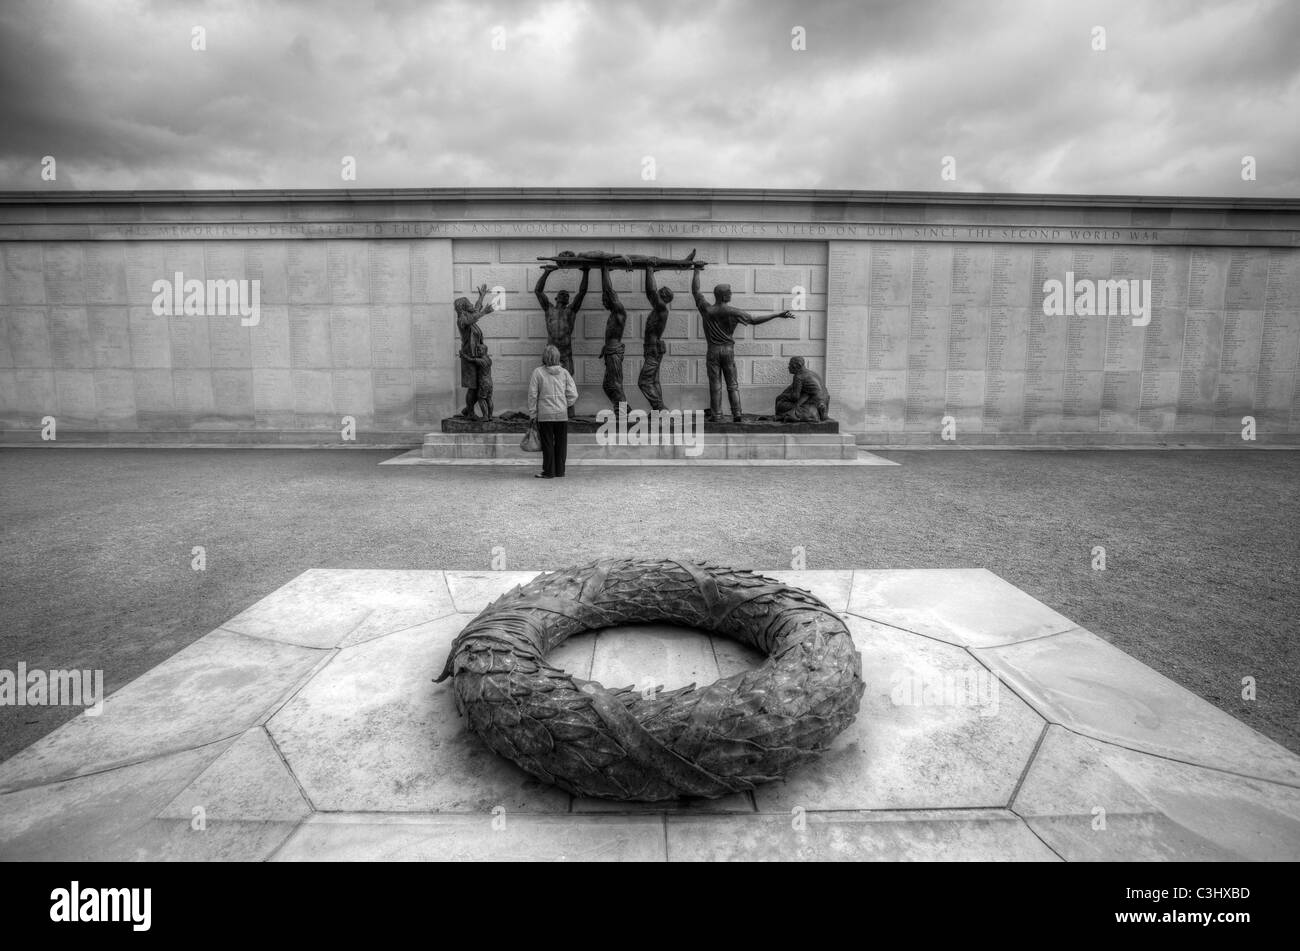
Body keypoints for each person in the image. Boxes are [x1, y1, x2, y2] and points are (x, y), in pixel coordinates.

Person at [690, 265, 794, 422]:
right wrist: (777, 315)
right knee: (732, 384)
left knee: (715, 384)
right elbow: (754, 320)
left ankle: (717, 414)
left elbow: (696, 292)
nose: (731, 294)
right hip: (727, 351)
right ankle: (737, 413)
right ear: (724, 296)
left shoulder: (707, 309)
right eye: (729, 293)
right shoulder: (734, 312)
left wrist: (696, 270)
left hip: (713, 351)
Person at [527, 344, 578, 479]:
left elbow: (533, 395)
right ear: (557, 357)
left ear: (544, 357)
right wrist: (565, 404)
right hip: (561, 414)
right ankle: (560, 471)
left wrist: (533, 413)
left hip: (545, 415)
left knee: (547, 443)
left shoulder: (538, 372)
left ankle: (549, 471)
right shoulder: (564, 373)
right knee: (561, 444)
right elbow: (573, 394)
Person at [455, 284, 496, 418]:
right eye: (468, 304)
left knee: (477, 386)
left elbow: (476, 309)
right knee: (472, 386)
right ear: (463, 308)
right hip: (469, 356)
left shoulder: (469, 317)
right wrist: (484, 312)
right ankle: (470, 412)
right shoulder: (462, 320)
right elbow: (475, 315)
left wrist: (482, 296)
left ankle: (468, 409)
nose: (472, 305)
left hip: (476, 356)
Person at [639, 268, 672, 410]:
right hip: (653, 347)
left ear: (663, 296)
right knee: (654, 381)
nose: (656, 294)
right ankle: (658, 412)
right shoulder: (659, 309)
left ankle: (659, 408)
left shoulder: (662, 308)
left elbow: (650, 292)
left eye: (659, 293)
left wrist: (649, 270)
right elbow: (652, 293)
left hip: (653, 348)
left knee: (644, 382)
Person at [775, 356, 829, 421]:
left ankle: (790, 415)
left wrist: (782, 396)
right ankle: (820, 410)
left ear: (797, 366)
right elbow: (792, 387)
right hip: (824, 400)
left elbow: (795, 397)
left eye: (790, 365)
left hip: (813, 402)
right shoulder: (810, 373)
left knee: (780, 405)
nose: (788, 367)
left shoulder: (798, 376)